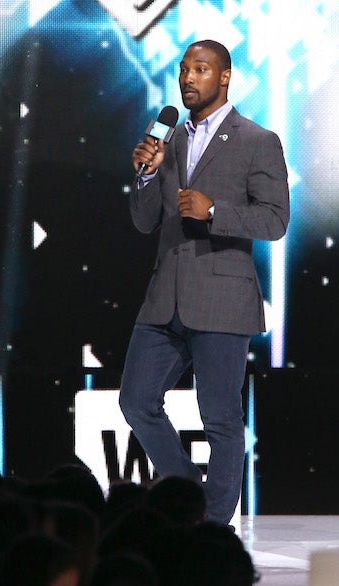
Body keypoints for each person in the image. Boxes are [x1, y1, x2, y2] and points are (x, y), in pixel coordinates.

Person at [119, 39, 289, 525]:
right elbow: (145, 222)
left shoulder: (257, 140)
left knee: (220, 418)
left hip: (222, 298)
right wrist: (146, 177)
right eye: (183, 69)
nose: (188, 78)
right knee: (135, 401)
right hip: (164, 299)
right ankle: (191, 496)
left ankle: (213, 526)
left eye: (200, 69)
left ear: (225, 77)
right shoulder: (168, 141)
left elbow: (276, 220)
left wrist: (215, 211)